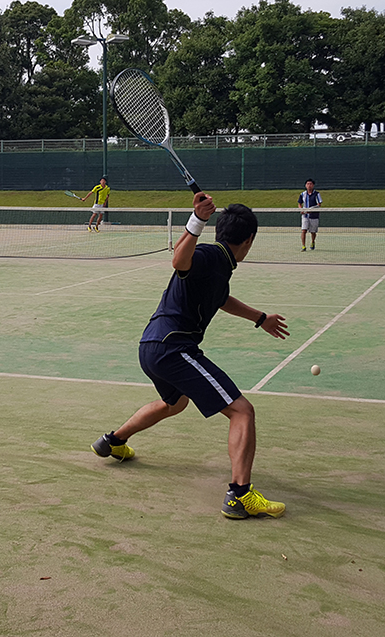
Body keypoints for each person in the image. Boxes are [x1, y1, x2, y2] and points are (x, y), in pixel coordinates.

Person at [91, 194, 290, 519]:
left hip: (152, 346)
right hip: (174, 347)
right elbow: (180, 261)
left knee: (176, 403)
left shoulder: (220, 264)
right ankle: (240, 495)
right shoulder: (212, 255)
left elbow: (221, 298)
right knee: (242, 412)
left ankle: (113, 441)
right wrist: (196, 221)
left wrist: (259, 318)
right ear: (249, 239)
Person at [298, 178, 321, 251]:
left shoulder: (317, 194)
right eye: (308, 184)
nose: (309, 185)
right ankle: (303, 246)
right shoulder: (302, 194)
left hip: (314, 216)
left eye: (310, 184)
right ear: (305, 185)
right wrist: (301, 209)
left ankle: (312, 241)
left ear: (313, 185)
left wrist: (311, 210)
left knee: (313, 232)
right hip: (305, 216)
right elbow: (299, 203)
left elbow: (319, 204)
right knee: (303, 230)